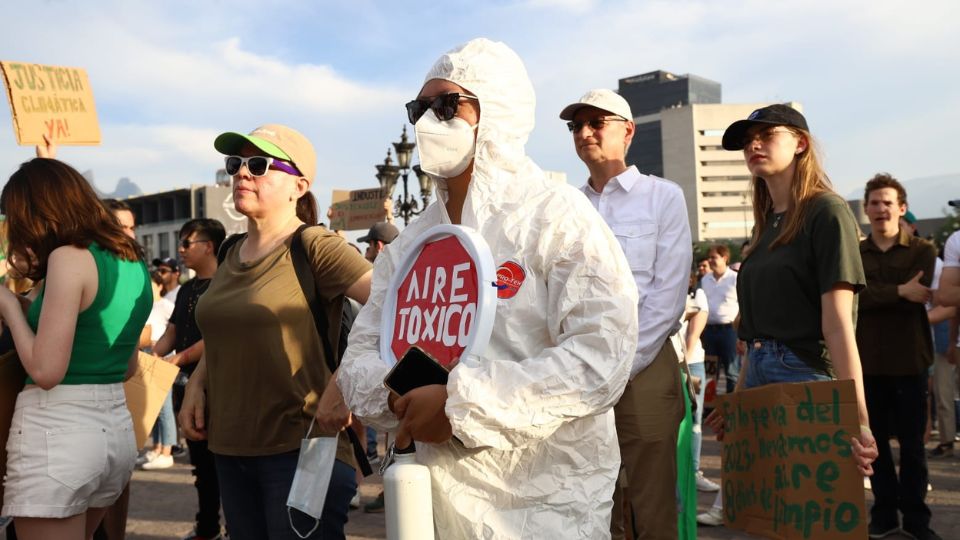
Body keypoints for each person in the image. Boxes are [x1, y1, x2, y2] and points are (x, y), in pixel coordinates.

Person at [331, 38, 639, 539]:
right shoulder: (414, 242)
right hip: (432, 500)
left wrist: (456, 403)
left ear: (495, 112)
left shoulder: (554, 215)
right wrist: (398, 401)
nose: (430, 121)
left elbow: (600, 356)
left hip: (544, 500)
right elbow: (361, 356)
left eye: (448, 104)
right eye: (421, 108)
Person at [178, 124, 372, 540]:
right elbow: (224, 332)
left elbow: (394, 308)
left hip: (303, 447)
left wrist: (345, 383)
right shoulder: (229, 251)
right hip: (229, 448)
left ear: (298, 186)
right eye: (236, 164)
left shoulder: (315, 245)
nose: (242, 174)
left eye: (260, 165)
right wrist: (198, 382)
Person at [700, 103, 878, 525]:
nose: (753, 145)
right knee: (764, 520)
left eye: (766, 135)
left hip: (807, 373)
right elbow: (754, 335)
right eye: (748, 140)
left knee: (812, 522)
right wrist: (738, 401)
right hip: (757, 370)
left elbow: (838, 324)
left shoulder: (827, 211)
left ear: (800, 143)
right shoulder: (766, 225)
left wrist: (859, 418)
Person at [558, 88, 690, 539]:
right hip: (576, 367)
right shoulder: (564, 207)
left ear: (628, 131)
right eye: (577, 126)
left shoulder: (663, 197)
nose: (585, 133)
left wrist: (620, 366)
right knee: (589, 497)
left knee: (651, 501)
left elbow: (668, 297)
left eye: (597, 123)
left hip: (644, 365)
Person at [0, 157, 152, 540]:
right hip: (114, 429)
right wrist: (26, 311)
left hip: (58, 431)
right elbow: (126, 364)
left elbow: (47, 372)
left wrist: (6, 305)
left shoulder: (68, 258)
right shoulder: (130, 261)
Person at [856, 174, 940, 540]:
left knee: (913, 448)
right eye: (874, 202)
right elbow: (856, 298)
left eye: (887, 202)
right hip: (868, 364)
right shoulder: (855, 253)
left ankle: (917, 521)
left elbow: (916, 294)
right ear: (865, 209)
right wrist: (899, 291)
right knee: (876, 448)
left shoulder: (923, 250)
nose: (880, 209)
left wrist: (883, 293)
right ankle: (884, 515)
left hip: (910, 362)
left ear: (901, 208)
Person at [153, 219, 226, 540]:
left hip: (217, 385)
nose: (180, 250)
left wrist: (178, 358)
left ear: (208, 246)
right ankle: (207, 527)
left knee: (224, 463)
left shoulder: (226, 284)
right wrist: (153, 356)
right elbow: (173, 331)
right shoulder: (185, 289)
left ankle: (234, 527)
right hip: (183, 382)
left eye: (186, 243)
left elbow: (216, 336)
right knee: (201, 466)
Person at [701, 244, 740, 393]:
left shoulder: (735, 278)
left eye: (714, 257)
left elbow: (742, 305)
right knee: (710, 373)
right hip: (709, 331)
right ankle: (710, 410)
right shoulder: (705, 280)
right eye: (709, 257)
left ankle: (732, 409)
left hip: (729, 331)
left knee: (732, 372)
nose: (710, 260)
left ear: (724, 258)